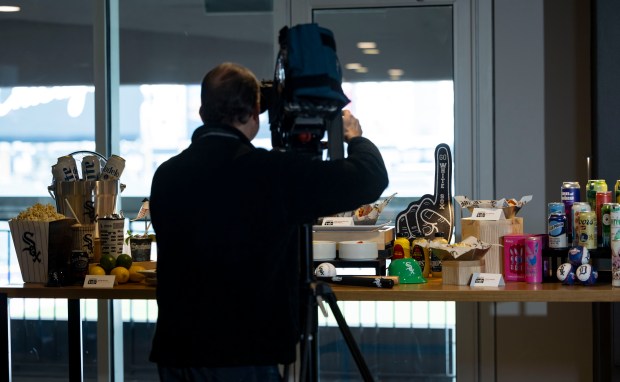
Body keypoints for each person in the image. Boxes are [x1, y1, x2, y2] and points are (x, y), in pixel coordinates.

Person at [149, 62, 388, 381]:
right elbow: (369, 178)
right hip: (244, 353)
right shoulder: (270, 172)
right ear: (254, 112)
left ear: (202, 111)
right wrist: (355, 138)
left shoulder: (166, 174)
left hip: (178, 352)